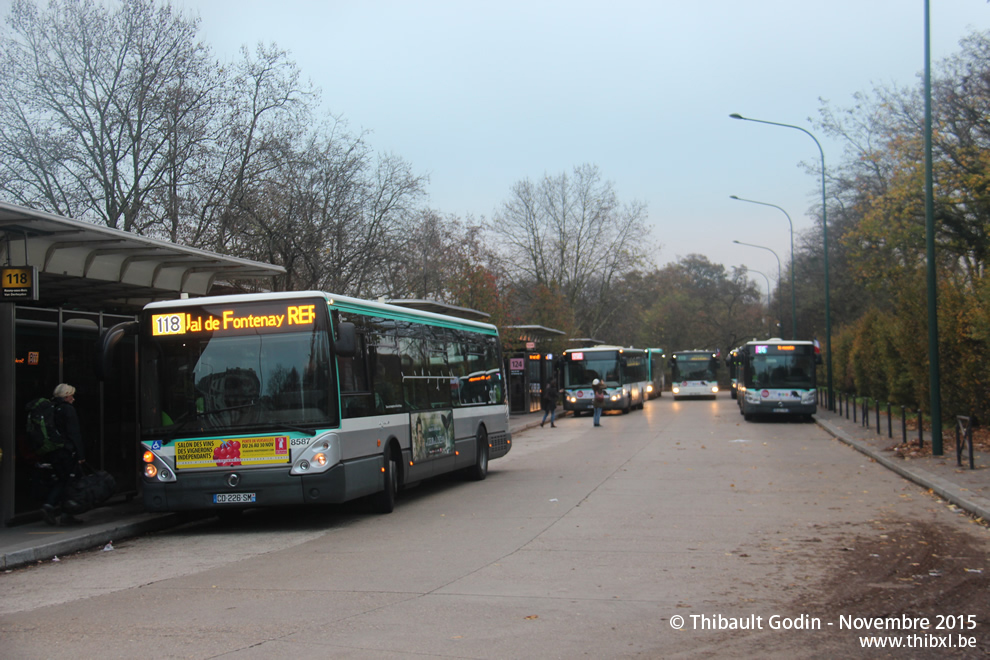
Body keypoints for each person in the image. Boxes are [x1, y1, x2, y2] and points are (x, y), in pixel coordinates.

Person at [40, 383, 86, 526]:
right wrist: (80, 455)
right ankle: (64, 511)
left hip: (53, 451)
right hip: (67, 451)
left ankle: (52, 505)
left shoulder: (50, 408)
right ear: (66, 396)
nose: (73, 398)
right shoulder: (68, 410)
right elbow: (74, 433)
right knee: (70, 480)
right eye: (71, 395)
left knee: (62, 479)